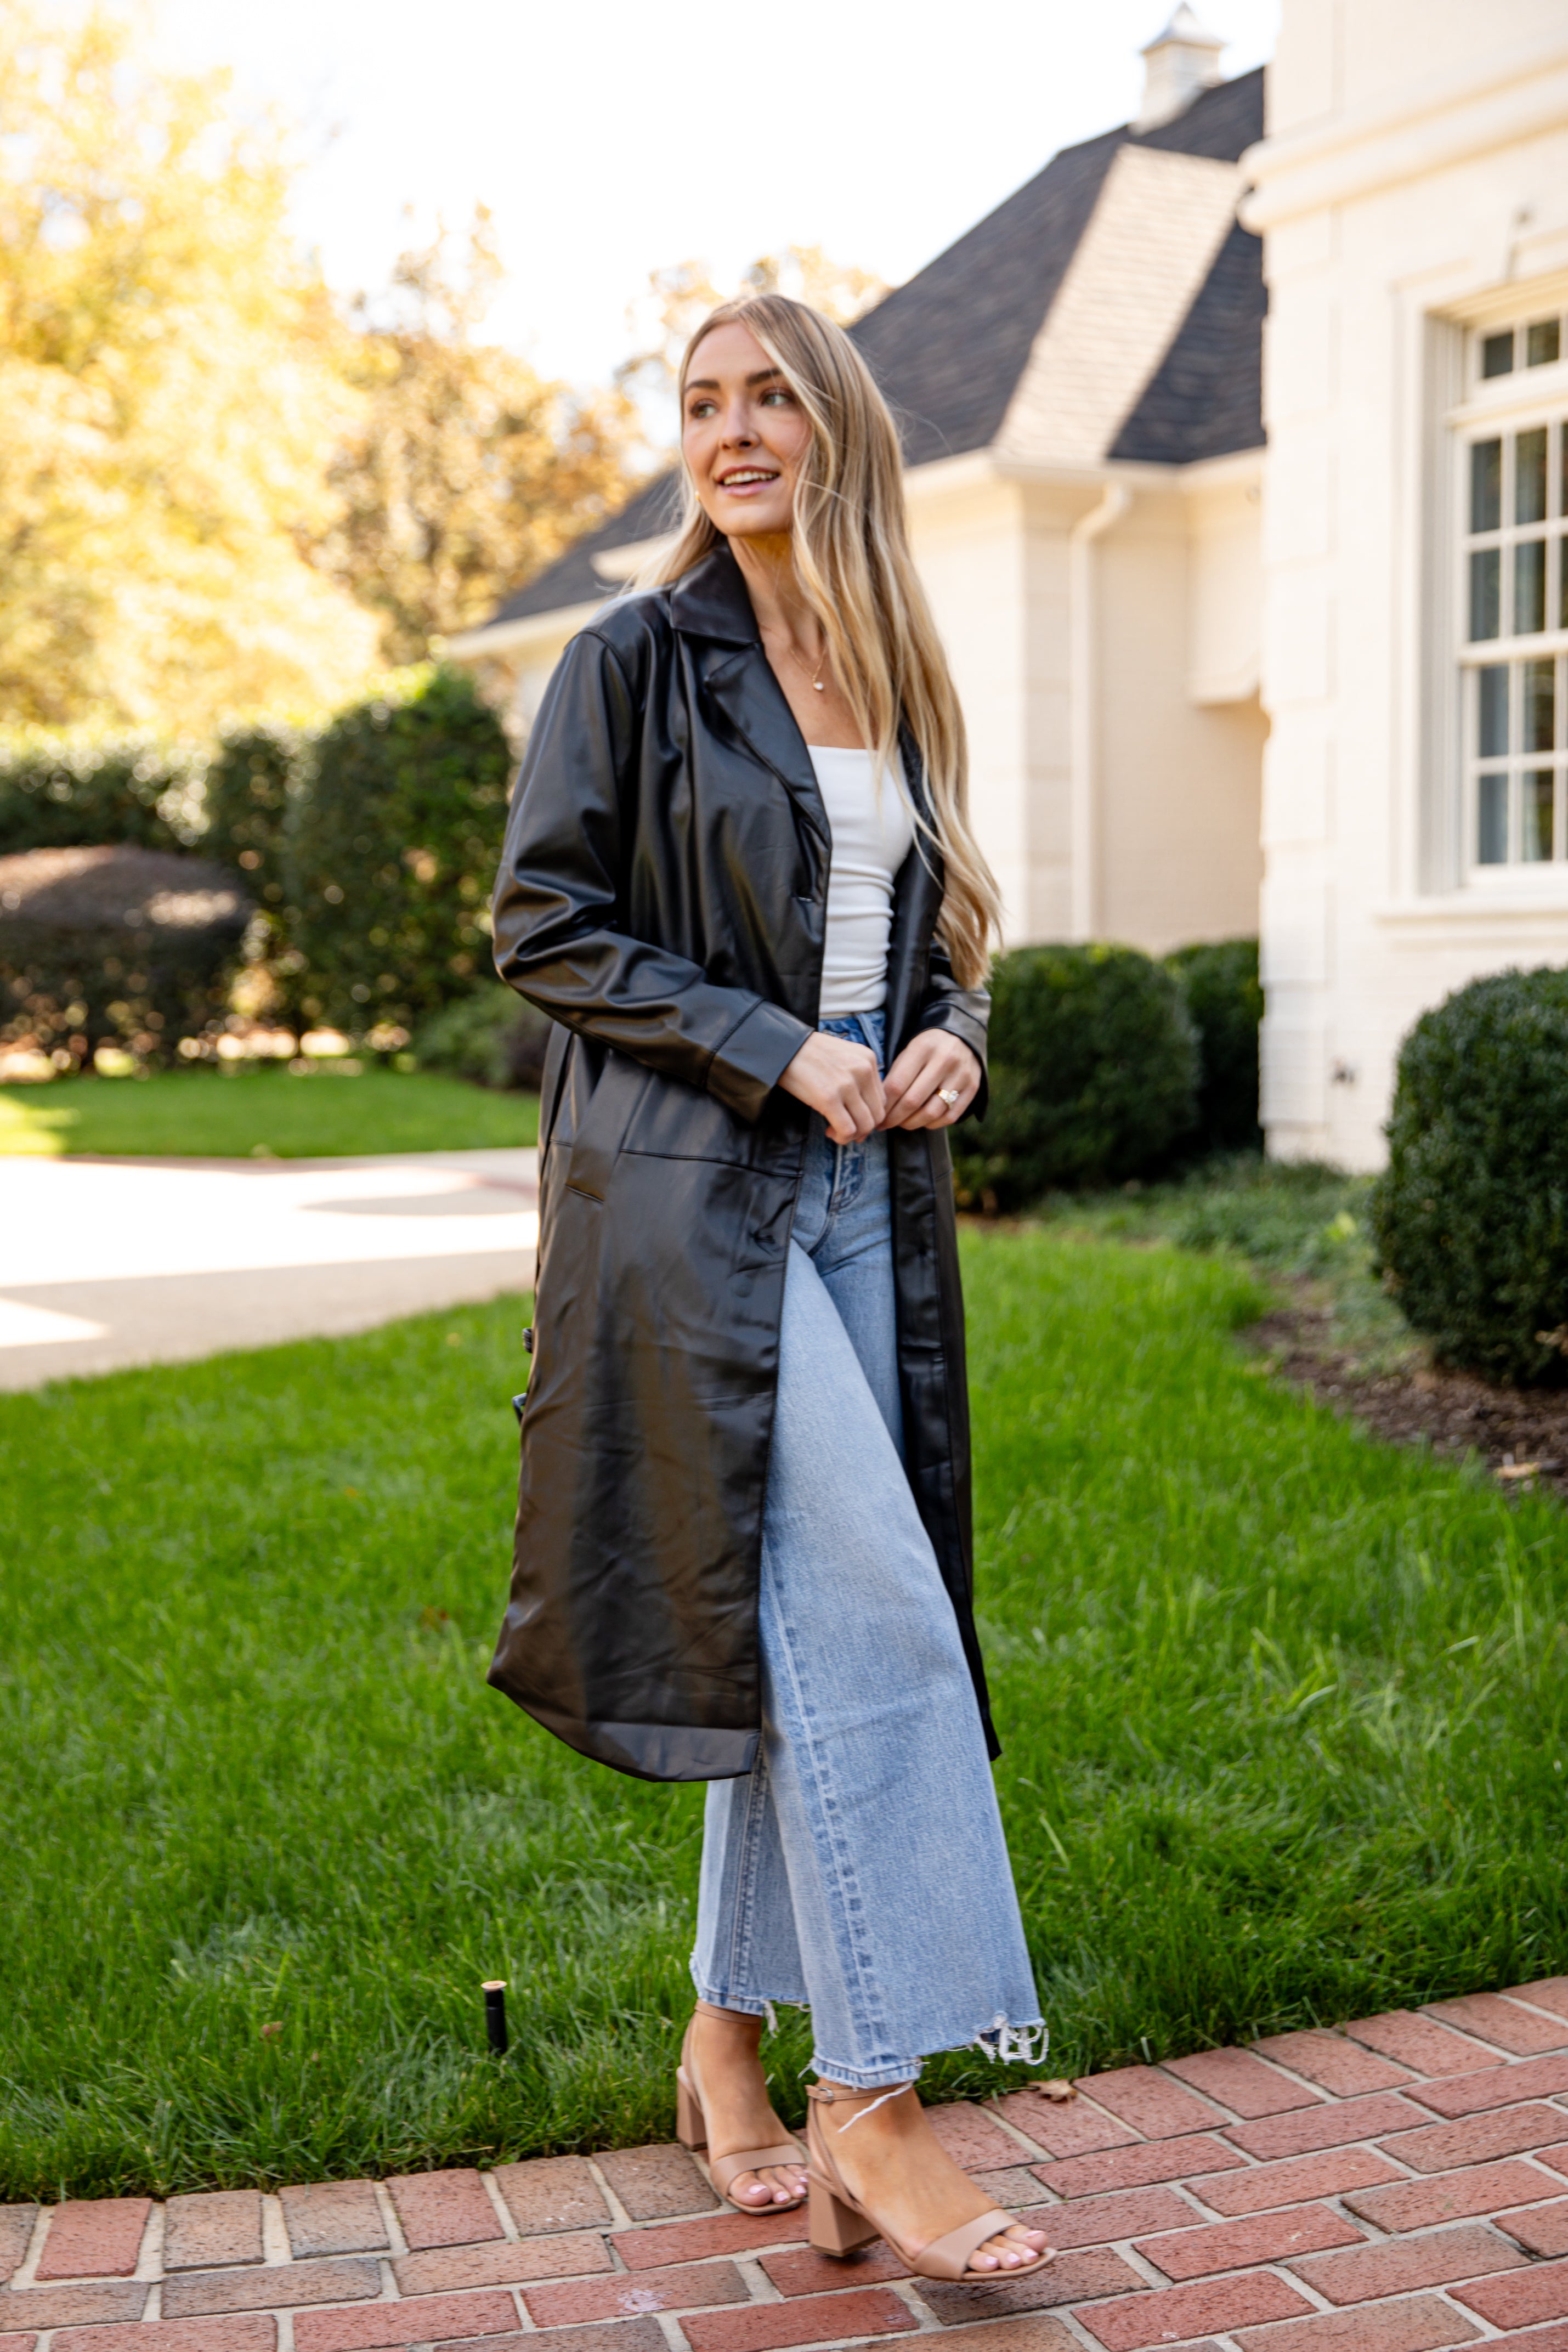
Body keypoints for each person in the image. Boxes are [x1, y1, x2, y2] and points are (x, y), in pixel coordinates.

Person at [489, 293, 1052, 2282]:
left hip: (862, 1210)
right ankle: (874, 2105)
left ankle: (726, 2038)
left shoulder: (898, 666)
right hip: (691, 1205)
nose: (733, 432)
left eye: (769, 401)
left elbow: (951, 923)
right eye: (702, 404)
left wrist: (949, 1037)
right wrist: (768, 1042)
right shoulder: (630, 663)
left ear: (836, 434)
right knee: (874, 1616)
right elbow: (543, 924)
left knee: (791, 1631)